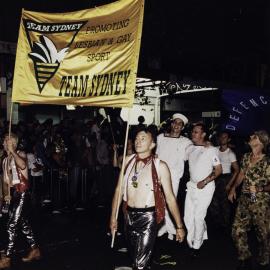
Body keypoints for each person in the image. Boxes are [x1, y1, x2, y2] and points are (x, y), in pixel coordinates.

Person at [110, 127, 185, 270]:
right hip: (128, 215)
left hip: (148, 218)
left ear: (152, 144)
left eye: (143, 139)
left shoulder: (160, 166)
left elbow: (170, 198)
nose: (138, 141)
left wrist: (179, 226)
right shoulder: (127, 161)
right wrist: (113, 217)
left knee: (140, 264)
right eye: (137, 138)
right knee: (135, 257)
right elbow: (119, 190)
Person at [228, 130, 270, 270]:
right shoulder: (246, 157)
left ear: (261, 142)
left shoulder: (267, 162)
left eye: (254, 136)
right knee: (237, 229)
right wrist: (234, 188)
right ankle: (244, 257)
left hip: (261, 203)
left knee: (264, 234)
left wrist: (260, 189)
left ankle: (264, 257)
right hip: (244, 199)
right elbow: (241, 174)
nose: (251, 137)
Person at [0, 133, 41, 269]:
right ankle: (35, 249)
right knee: (22, 223)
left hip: (22, 193)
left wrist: (13, 152)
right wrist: (6, 196)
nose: (6, 142)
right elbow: (5, 181)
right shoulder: (5, 160)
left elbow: (23, 166)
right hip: (13, 195)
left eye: (9, 140)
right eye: (5, 140)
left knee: (11, 225)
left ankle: (7, 257)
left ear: (14, 143)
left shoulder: (20, 154)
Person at [184, 123, 222, 257]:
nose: (193, 134)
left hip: (206, 187)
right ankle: (197, 236)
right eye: (193, 132)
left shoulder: (211, 150)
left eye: (196, 132)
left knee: (198, 217)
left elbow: (218, 170)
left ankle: (196, 246)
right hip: (192, 186)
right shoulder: (189, 148)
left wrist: (205, 181)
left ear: (203, 134)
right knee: (188, 218)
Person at [156, 113, 192, 240]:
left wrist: (207, 144)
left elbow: (193, 152)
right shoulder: (161, 137)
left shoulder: (186, 142)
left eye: (180, 124)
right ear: (171, 124)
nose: (177, 125)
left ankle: (171, 228)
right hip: (159, 174)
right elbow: (156, 155)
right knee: (158, 201)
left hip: (174, 176)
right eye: (175, 122)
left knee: (170, 202)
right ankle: (162, 226)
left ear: (182, 127)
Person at [209, 131, 239, 230]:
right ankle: (216, 224)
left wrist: (230, 184)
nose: (222, 138)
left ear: (228, 139)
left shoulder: (231, 153)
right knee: (214, 202)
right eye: (221, 136)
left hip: (225, 178)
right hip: (216, 177)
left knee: (225, 203)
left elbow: (237, 170)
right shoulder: (215, 150)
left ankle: (225, 226)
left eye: (225, 137)